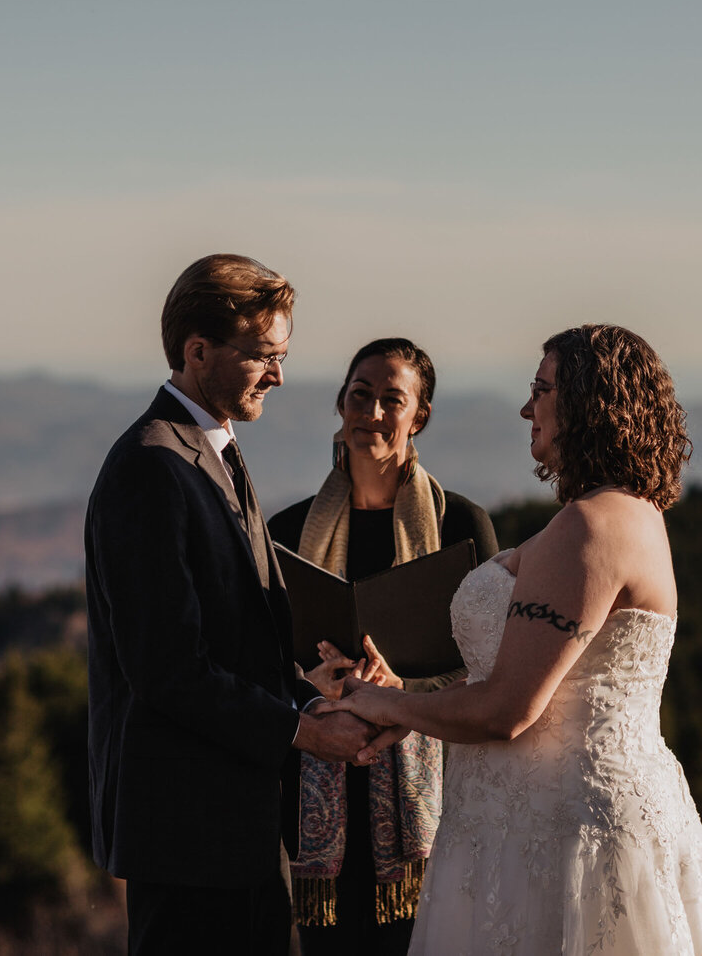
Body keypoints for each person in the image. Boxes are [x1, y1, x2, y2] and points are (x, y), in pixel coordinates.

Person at [320, 324, 702, 955]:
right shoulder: (626, 513)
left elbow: (506, 710)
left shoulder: (590, 526)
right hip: (534, 816)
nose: (528, 408)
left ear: (586, 402)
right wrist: (415, 710)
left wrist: (384, 704)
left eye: (541, 389)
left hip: (559, 835)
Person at [84, 254, 384, 956]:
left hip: (238, 825)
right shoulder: (149, 468)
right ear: (197, 351)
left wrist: (318, 695)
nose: (279, 374)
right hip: (187, 834)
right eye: (262, 356)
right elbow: (167, 671)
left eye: (281, 355)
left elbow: (238, 639)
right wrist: (304, 732)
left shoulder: (214, 448)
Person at [267, 338, 499, 956]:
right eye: (359, 394)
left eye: (391, 399)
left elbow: (491, 663)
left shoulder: (461, 528)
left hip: (428, 783)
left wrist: (401, 693)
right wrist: (313, 687)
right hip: (320, 774)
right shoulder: (286, 533)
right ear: (341, 403)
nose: (370, 411)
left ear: (418, 416)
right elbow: (260, 662)